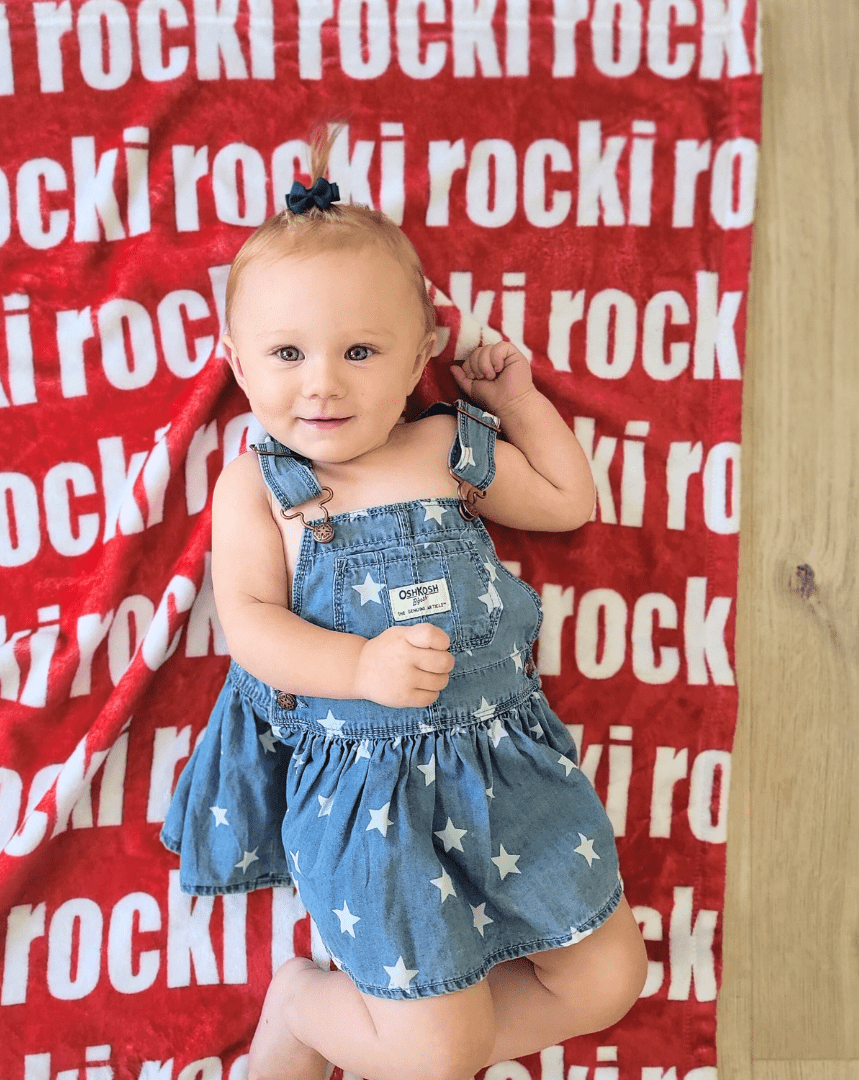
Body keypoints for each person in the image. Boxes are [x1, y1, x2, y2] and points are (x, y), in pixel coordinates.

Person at [160, 136, 648, 1080]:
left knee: (605, 979)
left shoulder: (442, 447)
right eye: (288, 353)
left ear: (422, 352)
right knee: (437, 1058)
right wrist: (357, 669)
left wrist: (517, 397)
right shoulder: (263, 486)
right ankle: (306, 1002)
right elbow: (253, 625)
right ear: (236, 360)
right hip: (368, 791)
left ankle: (373, 1029)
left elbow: (565, 500)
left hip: (502, 767)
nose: (323, 382)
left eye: (360, 351)